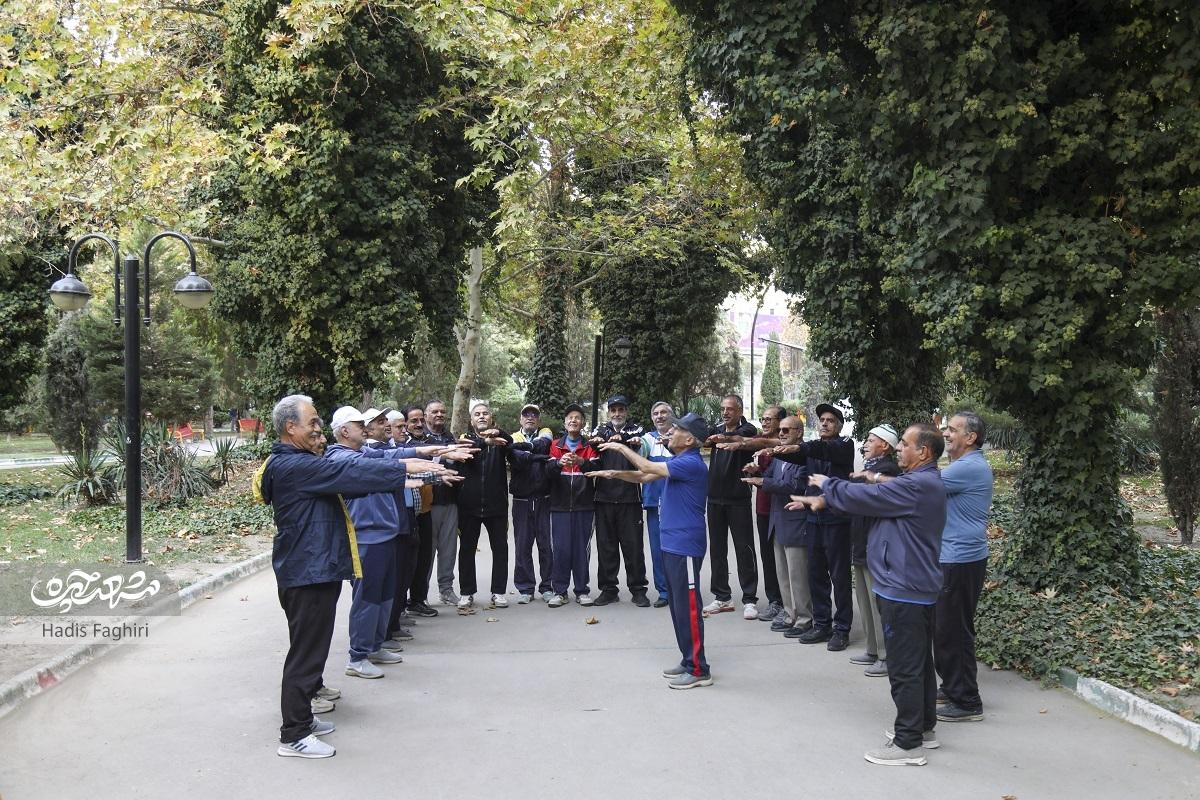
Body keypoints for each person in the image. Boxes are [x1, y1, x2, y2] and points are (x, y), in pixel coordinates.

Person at [256, 394, 451, 759]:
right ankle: (293, 734)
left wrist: (409, 465)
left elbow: (356, 472)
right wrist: (405, 468)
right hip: (306, 572)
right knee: (306, 654)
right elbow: (353, 472)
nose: (319, 429)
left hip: (316, 568)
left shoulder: (301, 461)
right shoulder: (296, 467)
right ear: (290, 428)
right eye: (312, 422)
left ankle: (305, 718)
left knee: (312, 649)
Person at [795, 423, 947, 766]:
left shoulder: (919, 485)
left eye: (904, 444)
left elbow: (869, 498)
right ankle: (923, 729)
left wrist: (829, 485)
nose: (898, 450)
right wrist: (854, 485)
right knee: (919, 661)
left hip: (904, 587)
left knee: (905, 667)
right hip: (913, 585)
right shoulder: (922, 482)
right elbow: (881, 489)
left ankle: (908, 745)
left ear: (923, 452)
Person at [595, 413, 713, 689]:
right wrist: (615, 473)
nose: (670, 433)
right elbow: (644, 475)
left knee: (689, 608)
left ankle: (699, 669)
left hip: (685, 545)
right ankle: (688, 660)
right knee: (678, 606)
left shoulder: (691, 463)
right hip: (672, 543)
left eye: (676, 430)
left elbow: (646, 464)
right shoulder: (678, 461)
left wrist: (621, 447)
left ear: (690, 439)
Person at [325, 406, 412, 679]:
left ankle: (374, 646)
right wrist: (410, 466)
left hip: (385, 535)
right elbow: (380, 465)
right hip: (365, 538)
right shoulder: (339, 457)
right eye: (358, 423)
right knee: (367, 598)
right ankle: (357, 656)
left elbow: (391, 454)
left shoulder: (363, 452)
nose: (364, 427)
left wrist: (427, 452)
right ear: (343, 431)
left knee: (385, 595)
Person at [772, 402, 855, 650]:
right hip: (813, 520)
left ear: (839, 426)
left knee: (839, 577)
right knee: (816, 574)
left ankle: (842, 629)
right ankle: (821, 624)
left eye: (830, 420)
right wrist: (770, 449)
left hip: (837, 520)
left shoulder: (843, 446)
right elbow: (799, 467)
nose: (825, 423)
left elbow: (818, 451)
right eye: (822, 420)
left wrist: (794, 447)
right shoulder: (810, 451)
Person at [935, 411, 993, 722]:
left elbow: (922, 485)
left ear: (970, 438)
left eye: (952, 429)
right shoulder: (962, 465)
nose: (945, 433)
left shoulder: (968, 467)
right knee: (947, 627)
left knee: (953, 630)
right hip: (956, 557)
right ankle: (953, 686)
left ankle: (967, 701)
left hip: (960, 559)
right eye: (945, 428)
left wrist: (877, 479)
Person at [743, 416, 812, 638]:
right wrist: (756, 472)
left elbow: (797, 485)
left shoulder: (803, 455)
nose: (780, 434)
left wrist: (765, 482)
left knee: (797, 576)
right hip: (777, 522)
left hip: (795, 523)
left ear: (799, 433)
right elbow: (770, 477)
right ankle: (790, 614)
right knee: (783, 574)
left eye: (785, 430)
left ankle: (804, 618)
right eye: (780, 430)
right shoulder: (779, 455)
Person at [719, 404, 787, 620]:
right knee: (767, 556)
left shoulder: (786, 444)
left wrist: (743, 445)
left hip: (785, 509)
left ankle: (790, 603)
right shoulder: (759, 441)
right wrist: (756, 471)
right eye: (763, 419)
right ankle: (775, 600)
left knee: (785, 558)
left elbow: (767, 446)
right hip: (763, 508)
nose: (765, 422)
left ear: (781, 422)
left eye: (770, 419)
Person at [847, 424, 902, 677]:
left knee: (876, 600)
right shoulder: (869, 468)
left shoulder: (887, 470)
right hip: (860, 542)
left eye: (872, 439)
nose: (866, 443)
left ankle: (886, 655)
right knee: (864, 599)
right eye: (867, 439)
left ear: (886, 446)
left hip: (876, 544)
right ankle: (872, 649)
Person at [702, 394, 762, 620]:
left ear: (739, 410)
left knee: (744, 549)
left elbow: (742, 437)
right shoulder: (717, 430)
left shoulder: (747, 430)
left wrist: (719, 437)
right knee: (717, 550)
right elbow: (704, 437)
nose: (725, 412)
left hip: (738, 499)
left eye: (730, 409)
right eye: (723, 409)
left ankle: (749, 599)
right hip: (715, 499)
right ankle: (722, 596)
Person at [588, 394, 649, 606]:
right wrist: (600, 442)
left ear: (626, 411)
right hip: (603, 498)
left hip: (630, 499)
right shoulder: (599, 431)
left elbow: (639, 445)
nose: (617, 414)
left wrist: (621, 440)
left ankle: (638, 589)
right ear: (608, 412)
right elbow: (592, 447)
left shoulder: (637, 430)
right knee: (606, 547)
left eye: (620, 409)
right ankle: (608, 589)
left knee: (633, 548)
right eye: (613, 410)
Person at [455, 402, 513, 609]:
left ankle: (498, 592)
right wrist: (486, 441)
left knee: (500, 549)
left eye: (485, 413)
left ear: (491, 418)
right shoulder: (466, 440)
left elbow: (511, 440)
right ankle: (466, 592)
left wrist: (497, 434)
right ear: (471, 421)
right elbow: (468, 451)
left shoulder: (501, 442)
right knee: (467, 550)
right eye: (477, 414)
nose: (481, 416)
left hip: (496, 507)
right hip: (468, 506)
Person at [544, 404, 602, 606]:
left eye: (577, 417)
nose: (573, 420)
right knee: (560, 549)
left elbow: (597, 468)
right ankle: (559, 591)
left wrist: (581, 461)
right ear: (565, 422)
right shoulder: (555, 445)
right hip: (559, 506)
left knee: (581, 549)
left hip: (584, 506)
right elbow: (548, 471)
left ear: (583, 423)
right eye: (569, 417)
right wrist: (559, 463)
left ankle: (581, 590)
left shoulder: (589, 447)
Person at [509, 403, 554, 603]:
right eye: (526, 415)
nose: (530, 417)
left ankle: (548, 586)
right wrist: (531, 454)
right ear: (520, 419)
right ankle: (526, 588)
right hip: (521, 500)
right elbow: (516, 460)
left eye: (534, 415)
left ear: (538, 419)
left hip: (544, 499)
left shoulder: (546, 434)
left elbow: (543, 446)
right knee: (522, 546)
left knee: (546, 545)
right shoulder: (512, 437)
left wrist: (526, 451)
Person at [424, 400, 461, 605]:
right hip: (428, 503)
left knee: (448, 550)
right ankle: (420, 595)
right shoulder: (421, 439)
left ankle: (446, 589)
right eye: (434, 411)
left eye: (442, 412)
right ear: (426, 415)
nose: (439, 414)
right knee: (427, 551)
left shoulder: (449, 437)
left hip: (450, 501)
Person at [639, 401, 676, 607]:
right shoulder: (647, 438)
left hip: (676, 504)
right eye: (656, 413)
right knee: (657, 549)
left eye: (663, 412)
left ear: (671, 415)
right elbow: (639, 455)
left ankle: (679, 588)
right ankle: (663, 591)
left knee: (676, 549)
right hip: (654, 504)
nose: (660, 416)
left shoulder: (680, 436)